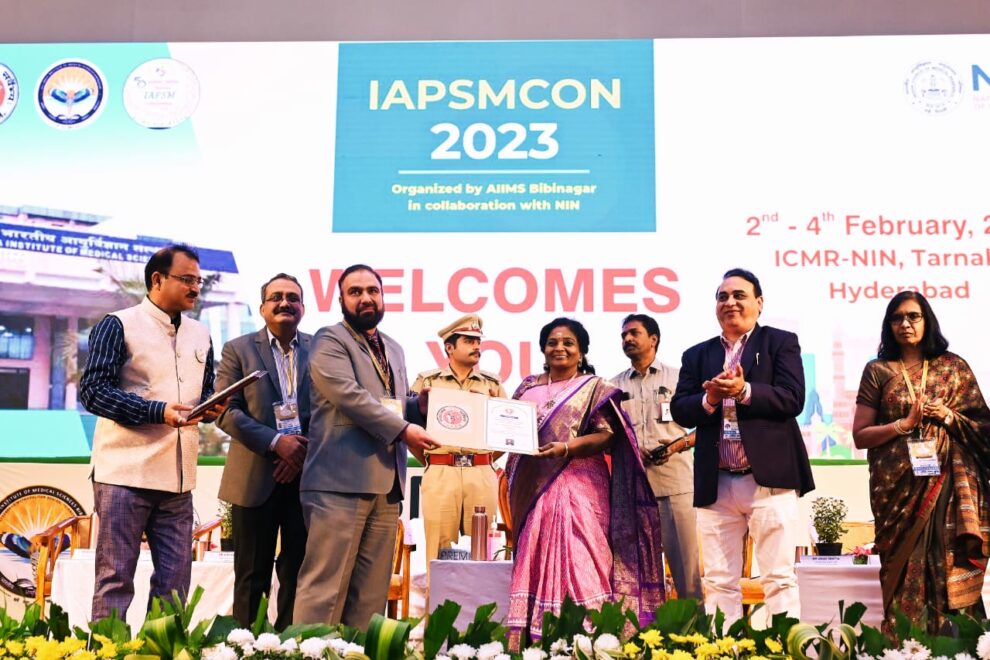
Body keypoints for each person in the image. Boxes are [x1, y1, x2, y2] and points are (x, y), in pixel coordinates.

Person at [79, 244, 226, 620]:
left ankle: (160, 647)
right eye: (187, 279)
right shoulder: (118, 324)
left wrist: (211, 407)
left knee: (174, 588)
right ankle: (109, 648)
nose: (195, 288)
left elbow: (203, 392)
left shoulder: (201, 334)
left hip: (178, 481)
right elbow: (94, 392)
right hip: (124, 476)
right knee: (115, 581)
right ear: (157, 279)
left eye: (198, 281)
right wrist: (158, 411)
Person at [292, 264, 438, 628]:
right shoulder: (329, 340)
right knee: (325, 591)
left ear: (383, 296)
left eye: (373, 290)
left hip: (387, 485)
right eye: (355, 292)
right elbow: (351, 397)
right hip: (338, 484)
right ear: (341, 300)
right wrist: (404, 429)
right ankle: (311, 653)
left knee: (370, 597)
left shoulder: (394, 348)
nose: (366, 298)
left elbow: (388, 404)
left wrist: (417, 408)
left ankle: (359, 653)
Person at [506, 317, 663, 649]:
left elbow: (606, 435)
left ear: (581, 351)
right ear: (543, 349)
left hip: (581, 485)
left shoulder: (593, 387)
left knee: (584, 555)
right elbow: (507, 429)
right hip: (535, 488)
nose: (559, 348)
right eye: (552, 342)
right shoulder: (527, 388)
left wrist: (567, 448)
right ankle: (538, 640)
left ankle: (593, 640)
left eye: (568, 343)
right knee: (537, 552)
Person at [671, 268, 813, 623]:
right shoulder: (696, 355)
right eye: (723, 297)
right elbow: (680, 409)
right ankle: (725, 648)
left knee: (779, 579)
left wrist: (744, 391)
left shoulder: (780, 342)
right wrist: (710, 399)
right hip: (716, 482)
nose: (730, 302)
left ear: (759, 303)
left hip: (768, 479)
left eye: (739, 295)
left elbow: (793, 398)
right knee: (719, 581)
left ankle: (785, 645)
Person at [852, 291, 990, 634]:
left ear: (927, 321)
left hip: (947, 486)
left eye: (913, 316)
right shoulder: (877, 370)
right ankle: (902, 647)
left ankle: (955, 645)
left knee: (945, 560)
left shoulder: (953, 367)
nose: (905, 324)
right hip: (896, 491)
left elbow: (984, 429)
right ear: (888, 326)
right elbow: (861, 435)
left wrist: (948, 416)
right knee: (900, 567)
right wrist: (903, 425)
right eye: (896, 318)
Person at [216, 273, 310, 629]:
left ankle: (292, 647)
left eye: (293, 297)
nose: (285, 302)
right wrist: (276, 443)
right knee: (251, 578)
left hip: (307, 479)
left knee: (298, 575)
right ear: (262, 307)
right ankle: (245, 647)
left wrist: (299, 453)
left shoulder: (320, 348)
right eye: (276, 297)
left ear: (303, 307)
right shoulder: (238, 349)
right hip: (255, 478)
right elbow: (225, 410)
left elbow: (332, 409)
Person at [611, 313, 702, 601]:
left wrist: (678, 445)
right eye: (623, 335)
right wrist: (629, 448)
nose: (627, 339)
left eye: (634, 333)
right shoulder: (613, 387)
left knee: (687, 575)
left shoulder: (679, 378)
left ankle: (695, 628)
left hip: (675, 484)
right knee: (634, 576)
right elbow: (606, 434)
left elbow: (710, 426)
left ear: (653, 339)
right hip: (632, 489)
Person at [410, 314, 506, 568]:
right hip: (441, 472)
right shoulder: (427, 381)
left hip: (481, 473)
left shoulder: (492, 384)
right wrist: (434, 460)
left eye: (478, 341)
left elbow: (506, 431)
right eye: (469, 341)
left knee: (483, 553)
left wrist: (484, 459)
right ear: (449, 347)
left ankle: (483, 598)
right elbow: (409, 429)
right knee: (439, 553)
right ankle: (437, 598)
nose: (477, 346)